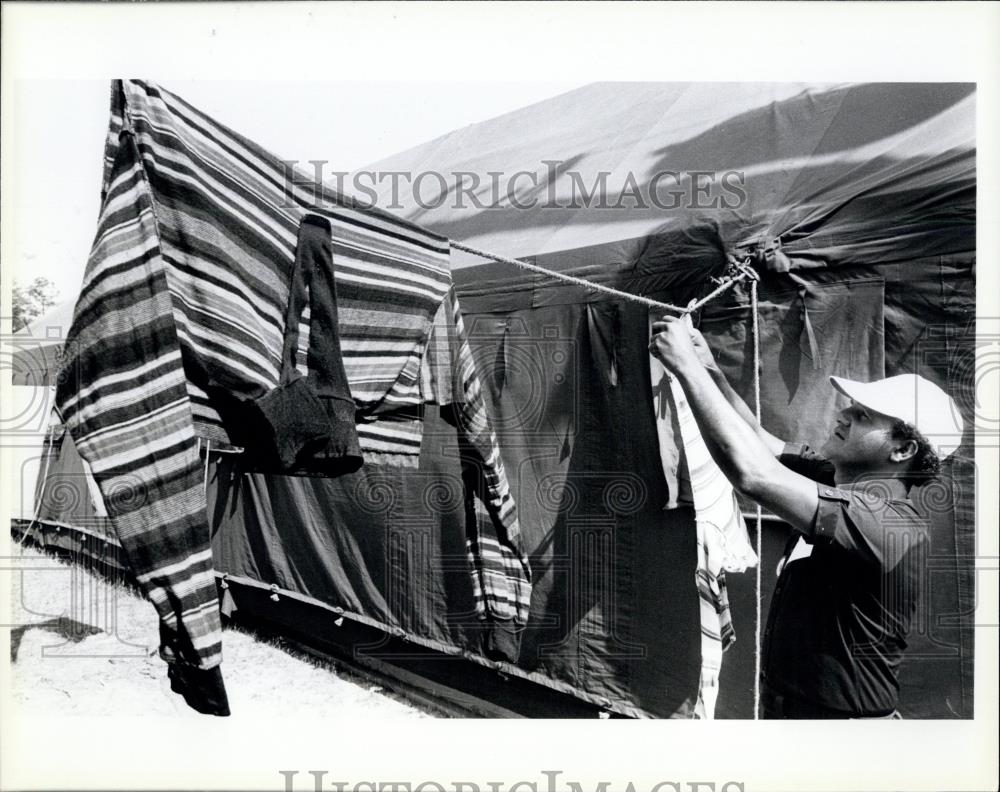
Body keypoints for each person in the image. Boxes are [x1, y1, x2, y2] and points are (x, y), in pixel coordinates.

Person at [649, 310, 962, 719]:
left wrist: (685, 369)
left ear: (902, 451)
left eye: (862, 415)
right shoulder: (837, 480)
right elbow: (758, 442)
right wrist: (710, 370)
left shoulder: (886, 523)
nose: (842, 415)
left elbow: (754, 474)